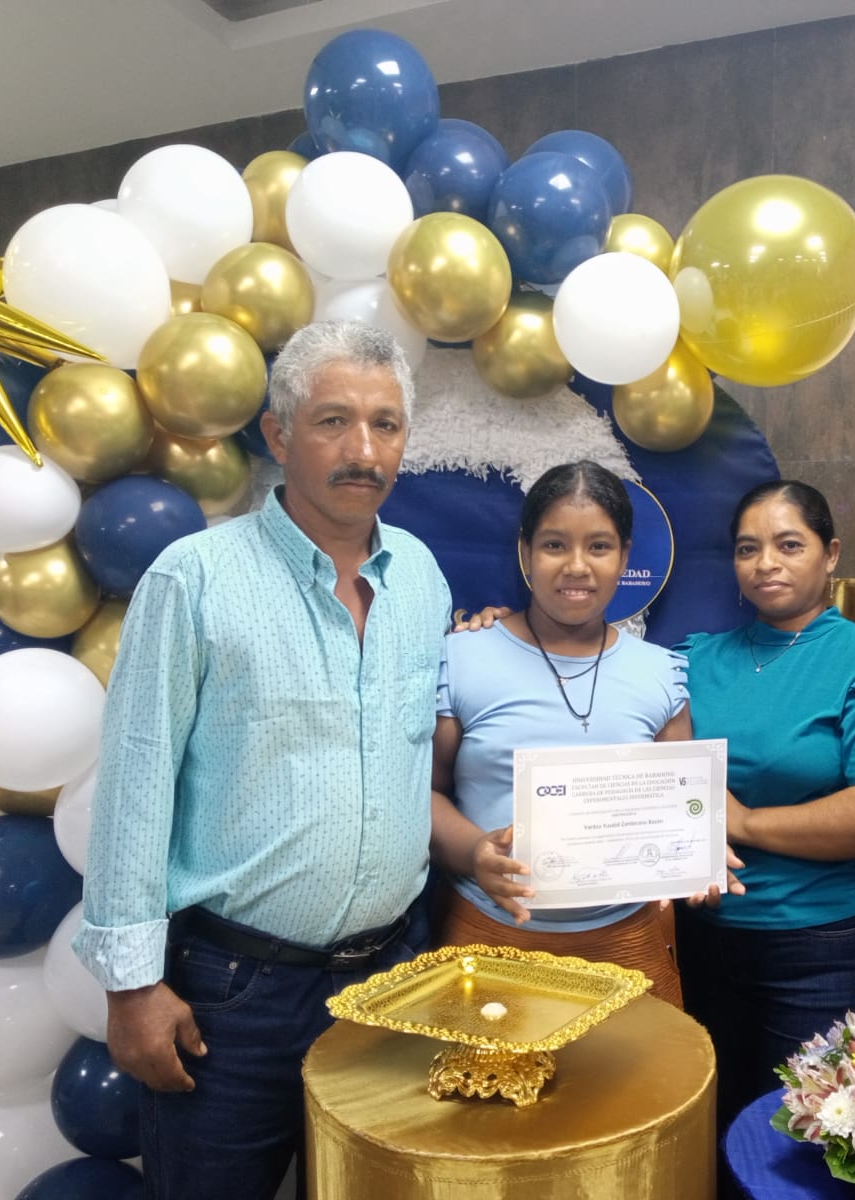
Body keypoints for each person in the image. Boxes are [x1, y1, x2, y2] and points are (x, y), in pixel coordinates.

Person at [74, 321, 451, 1200]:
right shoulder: (195, 578)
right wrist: (131, 989)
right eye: (333, 421)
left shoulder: (422, 578)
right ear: (279, 436)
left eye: (386, 425)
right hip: (233, 997)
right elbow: (134, 784)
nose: (364, 451)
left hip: (390, 985)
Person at [673, 479, 855, 1131]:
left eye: (789, 545)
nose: (766, 563)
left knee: (811, 1140)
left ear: (830, 553)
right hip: (703, 940)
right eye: (748, 548)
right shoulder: (695, 659)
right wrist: (501, 628)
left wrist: (745, 822)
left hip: (821, 950)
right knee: (710, 1134)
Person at [429, 461, 698, 1005]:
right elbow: (423, 792)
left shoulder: (660, 672)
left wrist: (699, 858)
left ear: (625, 556)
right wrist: (476, 851)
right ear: (525, 551)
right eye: (555, 545)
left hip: (629, 943)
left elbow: (683, 810)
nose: (577, 566)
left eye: (599, 546)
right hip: (492, 935)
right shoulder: (461, 658)